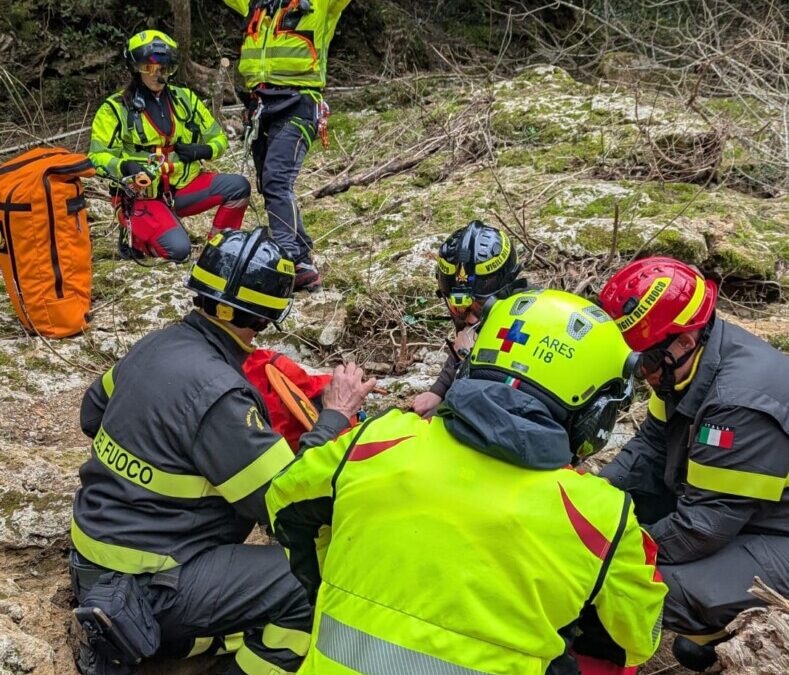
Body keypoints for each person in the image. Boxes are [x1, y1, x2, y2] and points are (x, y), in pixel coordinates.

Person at [266, 289, 667, 674]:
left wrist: (332, 579)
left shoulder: (377, 441)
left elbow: (284, 499)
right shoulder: (600, 516)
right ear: (594, 411)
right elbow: (639, 638)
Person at [69, 229, 375, 675]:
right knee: (308, 584)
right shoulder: (222, 395)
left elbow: (91, 415)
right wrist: (333, 416)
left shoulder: (154, 345)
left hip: (91, 564)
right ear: (267, 317)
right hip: (153, 582)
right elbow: (285, 502)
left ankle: (158, 644)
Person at [598, 256, 789, 671]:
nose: (640, 373)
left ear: (683, 340)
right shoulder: (686, 367)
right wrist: (591, 497)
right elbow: (649, 448)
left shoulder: (739, 404)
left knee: (638, 589)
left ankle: (729, 621)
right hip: (740, 510)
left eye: (644, 363)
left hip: (777, 535)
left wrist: (605, 555)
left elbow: (702, 528)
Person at [89, 30, 251, 262]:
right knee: (178, 251)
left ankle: (217, 251)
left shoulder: (185, 98)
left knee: (238, 187)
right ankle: (134, 235)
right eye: (150, 67)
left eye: (164, 68)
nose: (158, 74)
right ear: (135, 68)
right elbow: (96, 156)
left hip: (181, 188)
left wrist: (204, 150)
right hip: (141, 195)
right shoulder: (114, 108)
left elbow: (219, 139)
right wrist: (124, 166)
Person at [223, 0, 351, 292]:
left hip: (300, 103)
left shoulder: (321, 4)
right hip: (260, 105)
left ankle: (285, 261)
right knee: (269, 185)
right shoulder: (255, 3)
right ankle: (303, 260)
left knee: (277, 179)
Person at [412, 220, 525, 416]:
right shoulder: (476, 322)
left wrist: (466, 357)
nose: (471, 319)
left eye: (480, 307)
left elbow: (488, 404)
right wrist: (439, 389)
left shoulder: (524, 323)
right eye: (459, 306)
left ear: (509, 291)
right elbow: (458, 354)